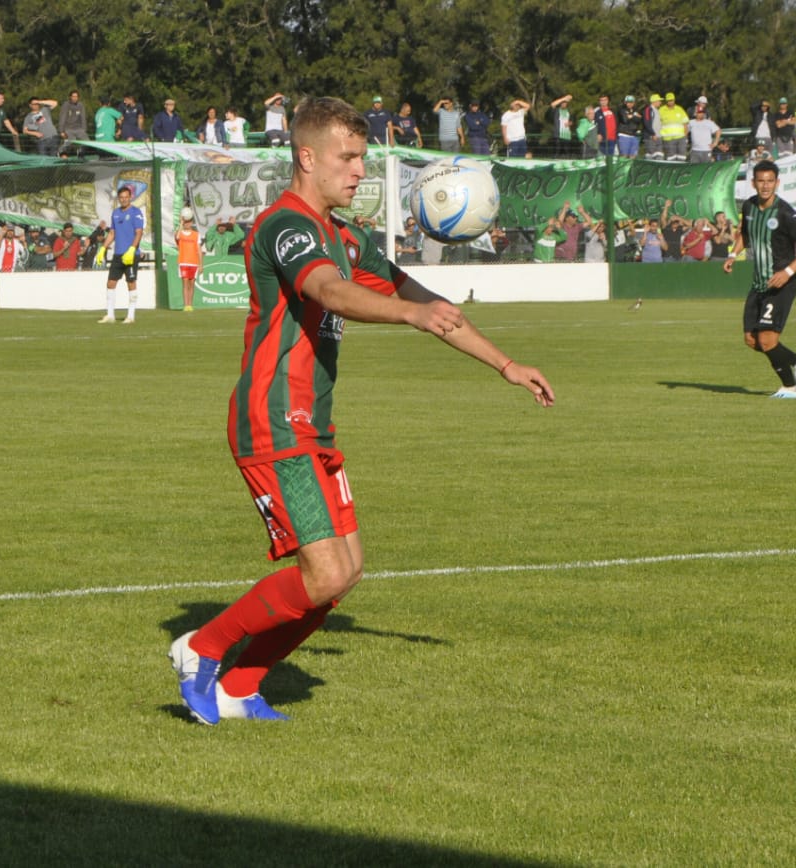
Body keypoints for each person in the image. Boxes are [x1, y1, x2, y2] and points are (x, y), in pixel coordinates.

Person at [167, 96, 554, 725]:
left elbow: (421, 297)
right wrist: (410, 314)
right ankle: (201, 648)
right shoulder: (284, 226)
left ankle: (240, 683)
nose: (357, 172)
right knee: (322, 575)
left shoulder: (343, 235)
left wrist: (505, 364)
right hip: (272, 417)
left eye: (362, 159)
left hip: (312, 424)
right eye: (347, 158)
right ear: (307, 157)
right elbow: (329, 291)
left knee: (344, 572)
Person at [723, 159, 796, 400]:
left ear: (777, 183)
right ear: (753, 183)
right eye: (761, 181)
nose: (765, 186)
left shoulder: (785, 212)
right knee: (751, 340)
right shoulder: (749, 206)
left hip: (780, 284)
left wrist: (787, 272)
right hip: (758, 284)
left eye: (770, 181)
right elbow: (745, 234)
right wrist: (733, 254)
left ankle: (790, 387)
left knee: (767, 339)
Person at [96, 184, 145, 323]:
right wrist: (103, 248)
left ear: (130, 197)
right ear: (118, 199)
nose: (123, 200)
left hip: (130, 254)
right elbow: (112, 232)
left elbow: (139, 232)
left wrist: (132, 249)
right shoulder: (116, 213)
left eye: (126, 197)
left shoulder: (136, 212)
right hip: (118, 254)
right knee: (111, 283)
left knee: (131, 283)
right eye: (121, 197)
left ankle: (131, 316)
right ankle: (110, 315)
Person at [175, 206, 202, 311]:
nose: (187, 224)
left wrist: (201, 264)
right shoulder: (181, 234)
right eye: (186, 222)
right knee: (185, 283)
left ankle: (190, 305)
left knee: (192, 284)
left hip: (194, 262)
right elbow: (176, 236)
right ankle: (186, 305)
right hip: (183, 262)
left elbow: (199, 250)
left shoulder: (196, 235)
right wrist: (181, 223)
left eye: (189, 222)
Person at [658, 92, 689, 162]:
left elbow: (685, 123)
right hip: (668, 139)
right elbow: (657, 124)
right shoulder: (661, 110)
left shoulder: (679, 109)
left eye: (671, 100)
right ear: (666, 101)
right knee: (671, 158)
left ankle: (681, 171)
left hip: (681, 138)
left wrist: (685, 137)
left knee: (682, 157)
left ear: (674, 100)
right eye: (668, 100)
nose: (670, 102)